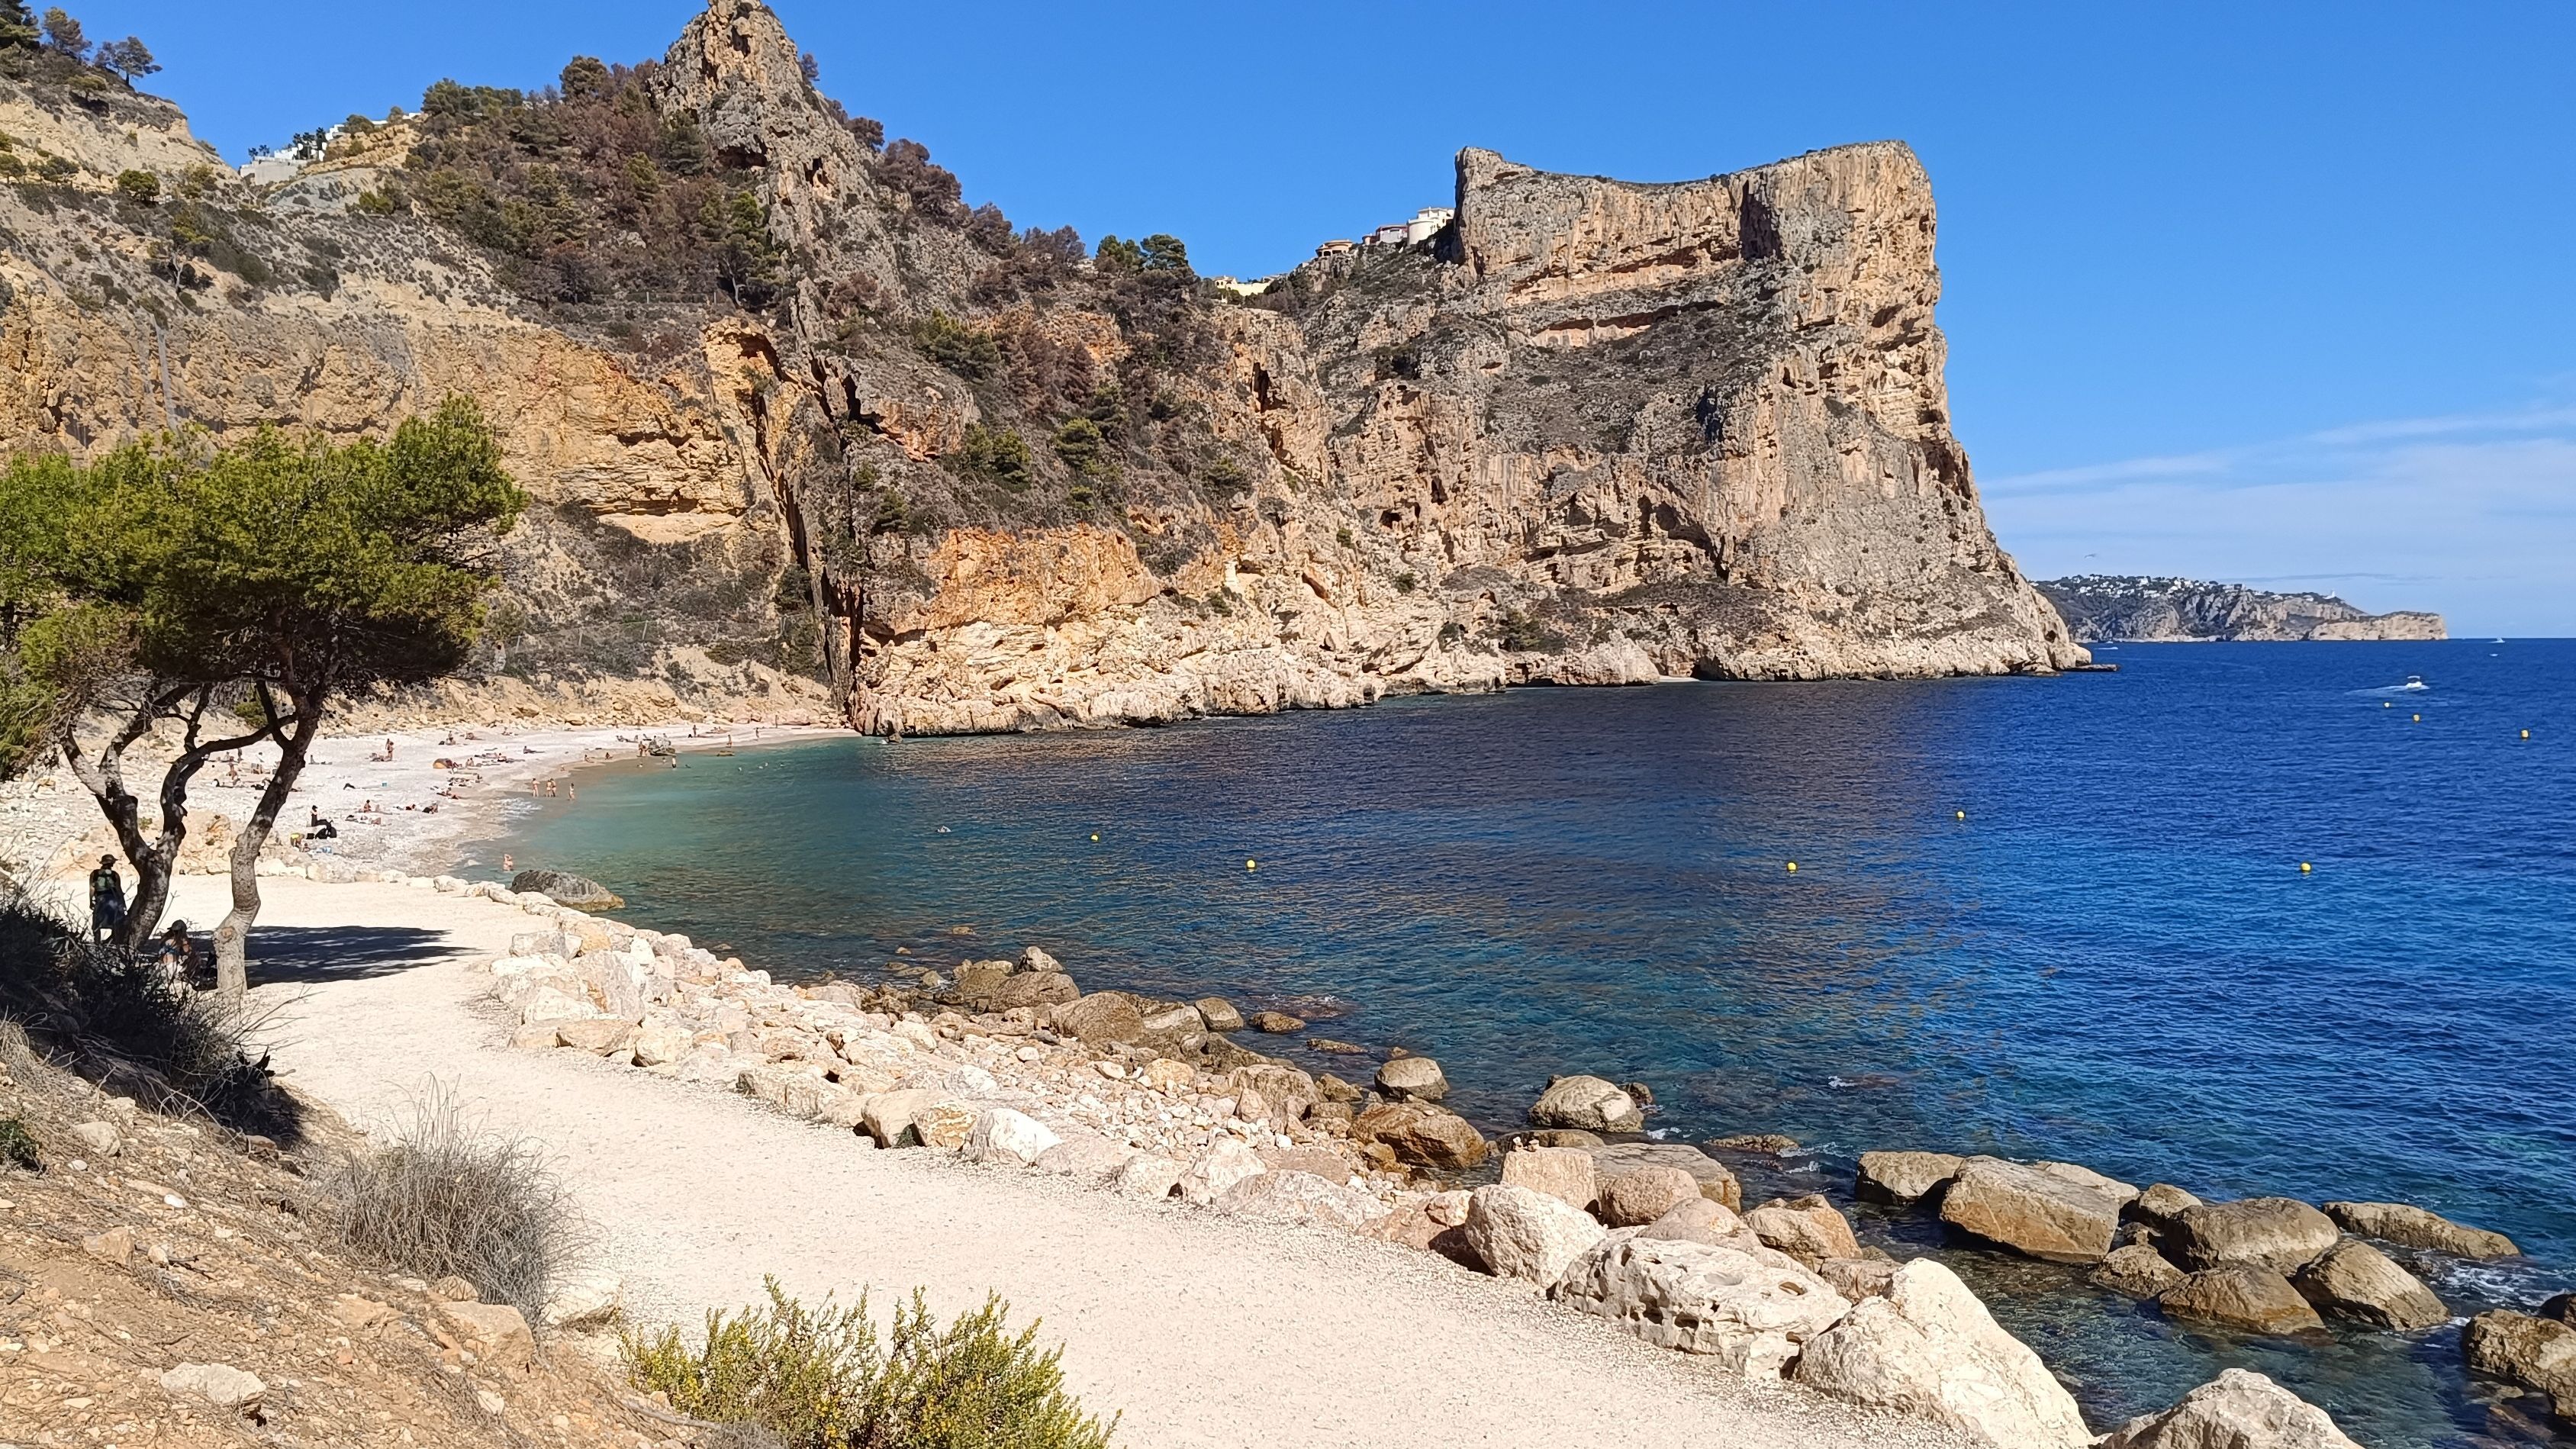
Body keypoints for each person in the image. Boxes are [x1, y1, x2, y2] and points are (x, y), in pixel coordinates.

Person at [88, 855, 126, 943]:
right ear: (112, 863)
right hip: (113, 901)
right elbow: (119, 890)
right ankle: (115, 943)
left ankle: (97, 943)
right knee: (115, 923)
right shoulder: (115, 875)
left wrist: (91, 901)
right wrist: (123, 903)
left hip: (100, 900)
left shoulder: (94, 874)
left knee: (97, 924)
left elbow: (92, 889)